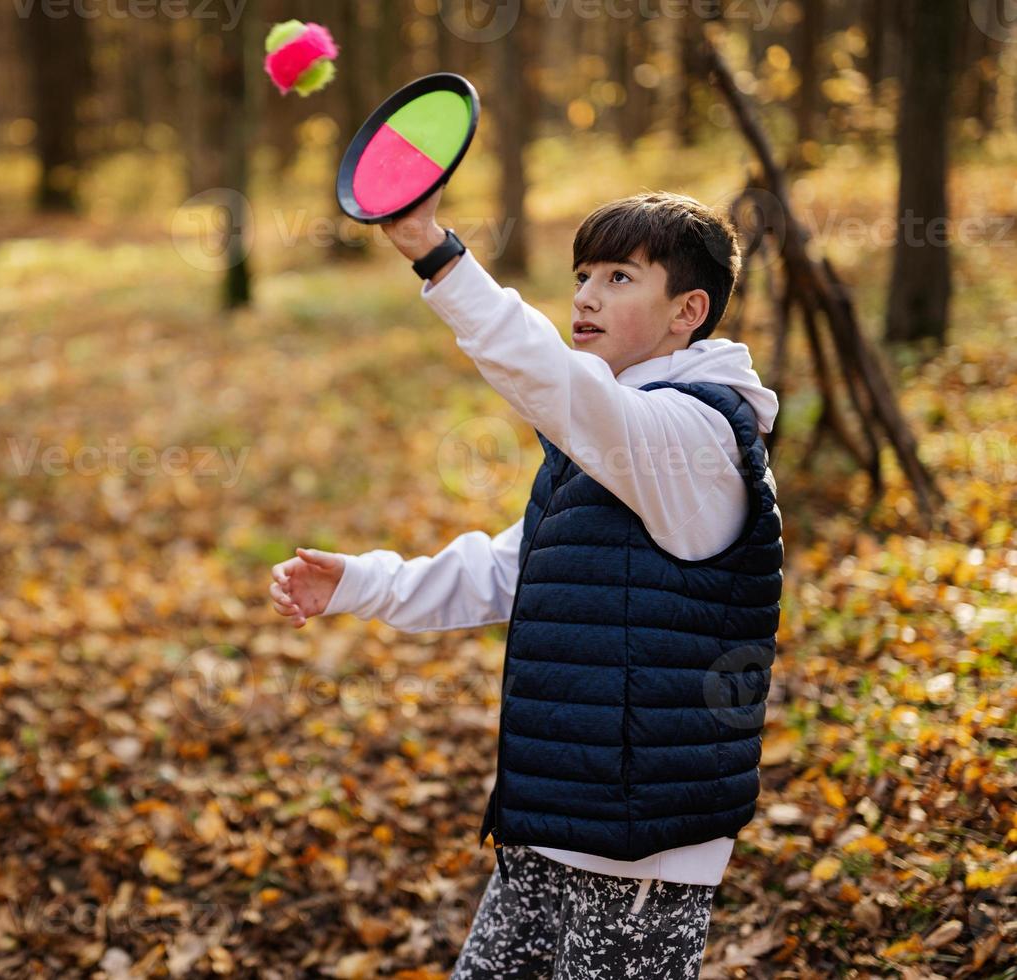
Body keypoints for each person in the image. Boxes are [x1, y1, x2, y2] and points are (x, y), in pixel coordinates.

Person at [269, 189, 784, 978]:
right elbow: (505, 571)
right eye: (583, 274)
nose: (585, 295)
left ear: (689, 310)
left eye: (619, 277)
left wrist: (437, 254)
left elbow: (558, 385)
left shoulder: (696, 438)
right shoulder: (606, 447)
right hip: (551, 823)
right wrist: (359, 583)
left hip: (641, 853)